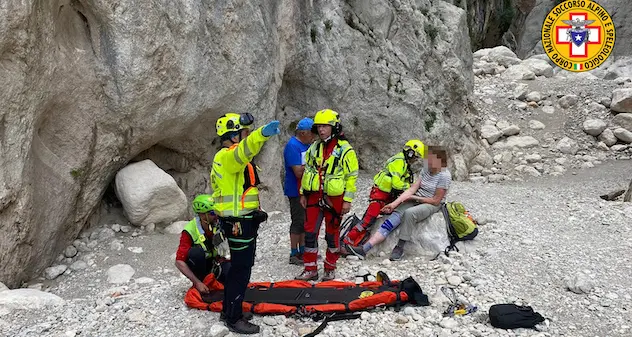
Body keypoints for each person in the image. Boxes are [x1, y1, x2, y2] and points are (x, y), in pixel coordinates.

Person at [210, 112, 280, 334]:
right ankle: (234, 317)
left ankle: (230, 308)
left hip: (240, 220)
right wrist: (261, 134)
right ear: (234, 135)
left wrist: (255, 212)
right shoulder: (228, 156)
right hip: (238, 224)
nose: (246, 136)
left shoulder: (226, 158)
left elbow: (240, 191)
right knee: (241, 270)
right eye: (243, 133)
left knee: (238, 269)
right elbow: (244, 150)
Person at [345, 146, 451, 261]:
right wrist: (394, 204)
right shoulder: (425, 170)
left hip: (431, 203)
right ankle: (364, 248)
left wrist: (414, 198)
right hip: (417, 197)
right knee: (393, 219)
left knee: (410, 213)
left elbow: (436, 200)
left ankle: (400, 246)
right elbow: (412, 189)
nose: (427, 163)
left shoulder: (444, 175)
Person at [295, 109, 359, 281]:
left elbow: (351, 176)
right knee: (310, 233)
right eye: (319, 126)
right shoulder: (314, 147)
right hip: (314, 196)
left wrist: (347, 200)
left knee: (332, 235)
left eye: (325, 126)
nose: (322, 130)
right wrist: (302, 193)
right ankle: (310, 269)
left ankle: (330, 268)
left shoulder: (346, 150)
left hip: (334, 199)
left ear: (334, 127)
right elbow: (307, 171)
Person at [341, 140, 426, 249]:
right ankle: (346, 242)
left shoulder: (404, 163)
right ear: (410, 153)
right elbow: (396, 184)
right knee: (367, 221)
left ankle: (354, 242)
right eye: (416, 156)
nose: (415, 160)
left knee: (371, 221)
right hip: (379, 195)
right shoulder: (399, 162)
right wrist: (410, 187)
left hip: (386, 196)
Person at [175, 194, 230, 292]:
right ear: (202, 215)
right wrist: (197, 282)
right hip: (201, 265)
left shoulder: (219, 224)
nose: (216, 215)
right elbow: (179, 262)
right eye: (212, 213)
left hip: (217, 262)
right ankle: (202, 281)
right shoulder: (189, 230)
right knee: (196, 252)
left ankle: (218, 277)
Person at [283, 117, 315, 265]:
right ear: (303, 133)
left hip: (305, 190)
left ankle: (302, 250)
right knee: (297, 221)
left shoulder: (306, 145)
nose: (314, 136)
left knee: (305, 221)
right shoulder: (292, 146)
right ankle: (293, 253)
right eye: (311, 133)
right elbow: (298, 171)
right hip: (295, 191)